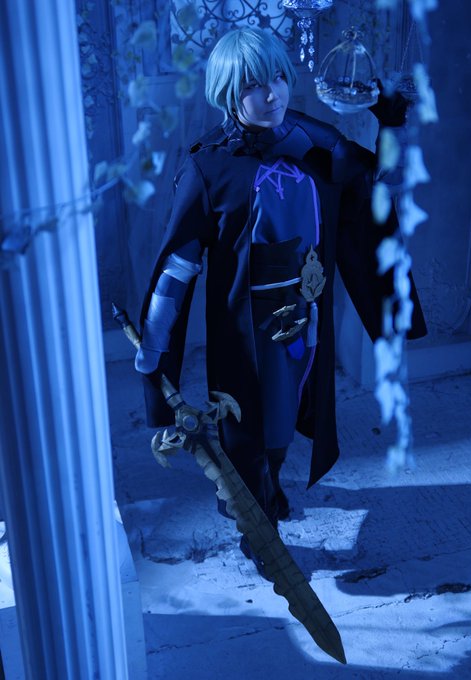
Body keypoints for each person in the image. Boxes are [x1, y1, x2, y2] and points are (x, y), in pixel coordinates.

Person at [135, 28, 426, 568]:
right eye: (253, 85)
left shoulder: (317, 143)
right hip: (247, 331)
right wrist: (155, 358)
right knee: (250, 429)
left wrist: (391, 123)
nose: (272, 94)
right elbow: (176, 269)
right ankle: (258, 526)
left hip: (307, 316)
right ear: (228, 93)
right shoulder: (207, 168)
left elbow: (377, 189)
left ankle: (266, 489)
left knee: (286, 417)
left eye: (277, 77)